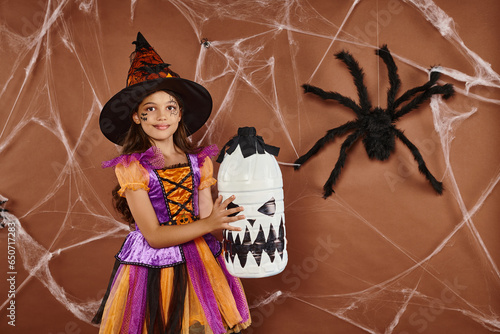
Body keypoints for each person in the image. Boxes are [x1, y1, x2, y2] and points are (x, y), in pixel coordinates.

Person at [92, 32, 251, 334]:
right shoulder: (133, 168)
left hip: (201, 260)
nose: (161, 116)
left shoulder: (200, 162)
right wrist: (209, 224)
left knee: (200, 327)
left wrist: (233, 216)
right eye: (150, 109)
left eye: (170, 107)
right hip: (154, 265)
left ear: (180, 116)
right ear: (136, 118)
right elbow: (153, 236)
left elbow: (208, 217)